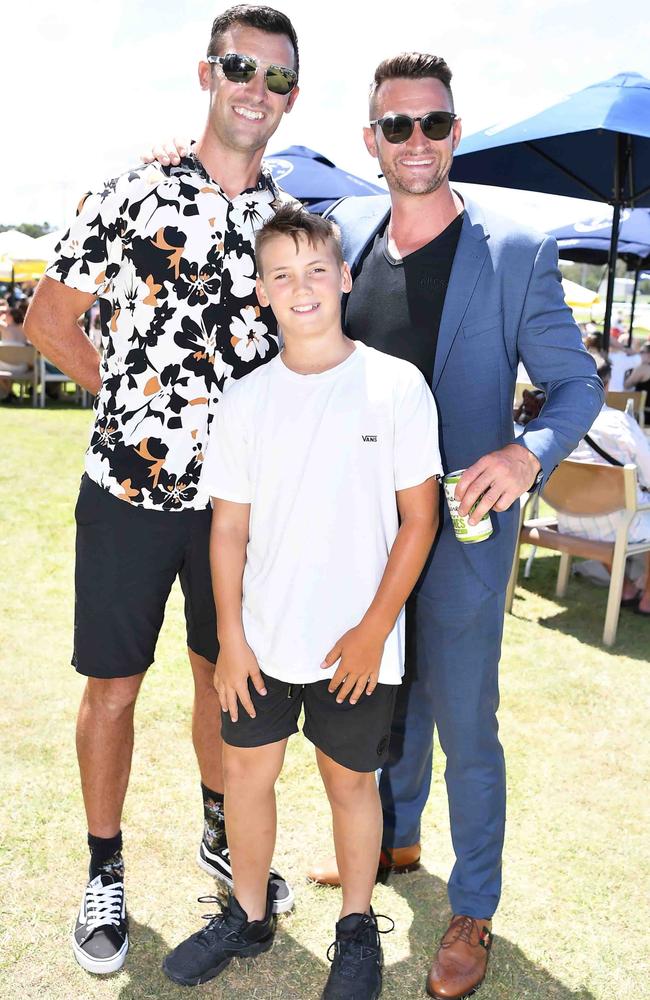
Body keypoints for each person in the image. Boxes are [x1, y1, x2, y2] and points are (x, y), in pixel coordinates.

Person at [303, 53, 603, 1000]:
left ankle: (472, 906)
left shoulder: (517, 249)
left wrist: (526, 454)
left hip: (466, 527)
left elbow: (576, 385)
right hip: (360, 530)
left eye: (434, 124)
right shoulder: (343, 230)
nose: (417, 142)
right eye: (398, 126)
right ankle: (395, 836)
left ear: (455, 134)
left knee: (467, 721)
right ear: (372, 141)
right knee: (388, 698)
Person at [23, 4, 301, 976]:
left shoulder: (291, 225)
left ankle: (222, 832)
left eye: (273, 76)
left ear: (290, 97)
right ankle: (105, 872)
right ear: (206, 74)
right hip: (128, 493)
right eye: (239, 66)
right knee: (113, 687)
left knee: (222, 682)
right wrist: (126, 405)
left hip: (234, 509)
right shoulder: (131, 194)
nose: (253, 89)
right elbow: (49, 319)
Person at [163, 204, 441, 996]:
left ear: (345, 275)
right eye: (281, 274)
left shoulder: (395, 387)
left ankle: (356, 928)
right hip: (262, 638)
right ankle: (247, 915)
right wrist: (231, 640)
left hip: (357, 645)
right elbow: (226, 532)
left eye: (317, 269)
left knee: (349, 782)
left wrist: (372, 630)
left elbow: (420, 519)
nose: (303, 286)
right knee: (247, 778)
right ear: (262, 292)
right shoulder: (246, 399)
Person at [558, 358, 650, 615]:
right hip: (615, 523)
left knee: (611, 512)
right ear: (607, 384)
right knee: (631, 511)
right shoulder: (618, 422)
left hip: (568, 516)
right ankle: (648, 598)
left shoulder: (555, 419)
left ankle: (626, 588)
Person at [623, 340, 650, 424]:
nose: (639, 354)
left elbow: (627, 385)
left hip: (643, 415)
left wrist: (629, 372)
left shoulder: (643, 368)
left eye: (642, 352)